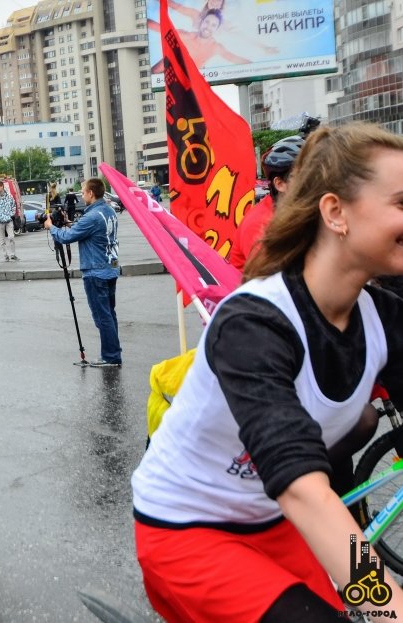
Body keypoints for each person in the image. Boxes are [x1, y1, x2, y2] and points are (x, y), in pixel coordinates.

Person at [131, 123, 403, 622]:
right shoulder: (254, 322)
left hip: (273, 521)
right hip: (188, 530)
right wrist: (389, 604)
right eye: (402, 203)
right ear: (335, 212)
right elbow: (303, 487)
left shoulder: (384, 315)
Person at [45, 178, 121, 367]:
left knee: (102, 316)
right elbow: (86, 231)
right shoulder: (109, 211)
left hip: (96, 271)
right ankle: (113, 352)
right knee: (109, 314)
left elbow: (67, 237)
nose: (81, 194)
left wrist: (51, 227)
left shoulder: (92, 217)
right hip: (110, 267)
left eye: (83, 191)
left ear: (91, 193)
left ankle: (110, 356)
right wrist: (68, 222)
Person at [228, 135, 304, 271]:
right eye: (303, 176)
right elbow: (273, 278)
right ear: (280, 184)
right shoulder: (259, 225)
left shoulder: (295, 212)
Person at [0, 181, 19, 261]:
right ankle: (6, 256)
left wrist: (11, 214)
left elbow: (13, 206)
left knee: (11, 237)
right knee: (2, 239)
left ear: (2, 187)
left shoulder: (9, 196)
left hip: (8, 220)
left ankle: (13, 254)